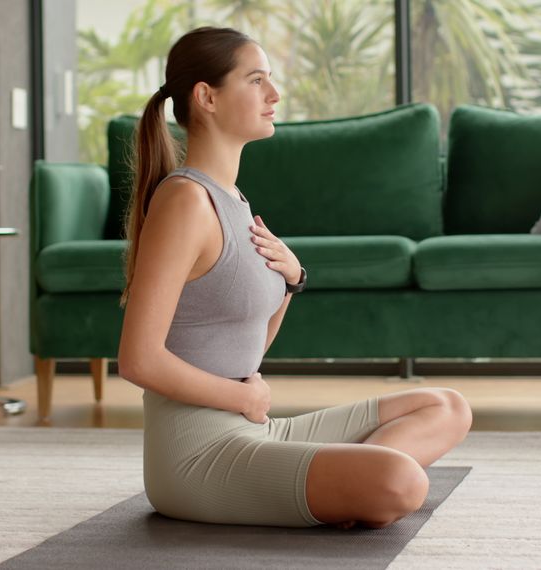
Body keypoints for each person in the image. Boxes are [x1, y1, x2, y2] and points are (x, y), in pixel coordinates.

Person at [116, 26, 472, 529]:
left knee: (446, 406)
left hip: (254, 430)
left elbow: (243, 351)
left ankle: (346, 489)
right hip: (197, 455)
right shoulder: (184, 202)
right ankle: (355, 487)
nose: (274, 95)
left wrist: (290, 283)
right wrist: (242, 396)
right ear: (207, 97)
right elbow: (137, 360)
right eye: (256, 80)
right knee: (403, 482)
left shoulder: (234, 202)